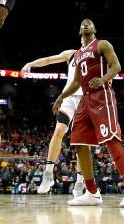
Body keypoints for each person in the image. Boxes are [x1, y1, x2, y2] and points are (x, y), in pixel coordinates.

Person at [52, 19, 124, 208]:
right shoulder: (77, 54)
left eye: (89, 23)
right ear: (78, 30)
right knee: (79, 144)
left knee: (111, 139)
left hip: (102, 95)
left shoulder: (102, 44)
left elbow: (116, 66)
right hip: (84, 99)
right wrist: (61, 96)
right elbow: (76, 82)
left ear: (94, 29)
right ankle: (92, 192)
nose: (85, 23)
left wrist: (103, 79)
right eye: (82, 23)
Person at [21, 47, 85, 196]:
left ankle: (80, 182)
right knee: (59, 131)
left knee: (81, 143)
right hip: (68, 97)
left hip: (86, 99)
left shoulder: (97, 54)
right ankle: (48, 174)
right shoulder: (71, 54)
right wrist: (30, 63)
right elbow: (49, 59)